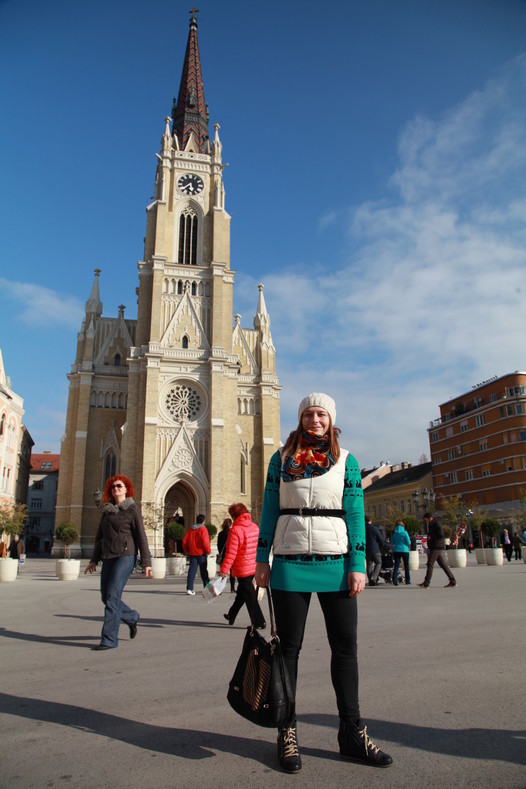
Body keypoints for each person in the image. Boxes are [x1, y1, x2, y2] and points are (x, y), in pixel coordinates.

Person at [255, 392, 392, 773]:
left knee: (345, 650)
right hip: (289, 563)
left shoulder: (347, 461)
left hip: (336, 563)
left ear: (330, 420)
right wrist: (261, 559)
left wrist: (358, 563)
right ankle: (287, 732)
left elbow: (354, 511)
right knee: (288, 653)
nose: (315, 420)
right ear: (300, 419)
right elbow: (268, 508)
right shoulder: (280, 460)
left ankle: (351, 732)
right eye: (309, 414)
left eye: (321, 414)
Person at [85, 475, 152, 650]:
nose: (116, 489)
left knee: (113, 597)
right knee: (105, 596)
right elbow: (100, 537)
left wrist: (146, 562)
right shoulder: (106, 511)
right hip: (108, 556)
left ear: (126, 489)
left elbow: (141, 536)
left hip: (126, 556)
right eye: (113, 487)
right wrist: (93, 560)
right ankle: (131, 616)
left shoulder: (132, 509)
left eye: (119, 486)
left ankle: (109, 639)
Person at [219, 503, 265, 628]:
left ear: (234, 516)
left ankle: (259, 621)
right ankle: (231, 614)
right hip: (253, 565)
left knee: (249, 595)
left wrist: (224, 570)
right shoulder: (255, 527)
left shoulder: (235, 530)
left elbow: (231, 552)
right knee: (242, 593)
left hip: (242, 568)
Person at [418, 512, 457, 589]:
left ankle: (426, 583)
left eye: (426, 520)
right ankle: (453, 581)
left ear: (430, 518)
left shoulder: (436, 524)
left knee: (430, 563)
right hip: (436, 546)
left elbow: (441, 535)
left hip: (436, 546)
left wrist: (431, 537)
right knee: (443, 565)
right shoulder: (432, 524)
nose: (426, 522)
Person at [182, 514, 210, 595]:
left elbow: (184, 541)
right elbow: (205, 542)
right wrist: (208, 551)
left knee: (192, 572)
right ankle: (207, 588)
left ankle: (189, 588)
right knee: (204, 572)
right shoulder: (203, 529)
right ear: (203, 521)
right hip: (201, 553)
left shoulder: (191, 529)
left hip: (193, 553)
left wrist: (186, 550)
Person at [365, 516, 385, 586]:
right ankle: (374, 576)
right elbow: (381, 539)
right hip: (375, 549)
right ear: (370, 520)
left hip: (366, 550)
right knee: (379, 563)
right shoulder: (374, 528)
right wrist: (383, 545)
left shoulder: (362, 529)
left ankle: (371, 580)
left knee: (369, 565)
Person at [217, 517, 235, 592]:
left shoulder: (220, 534)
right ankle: (232, 588)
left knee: (223, 573)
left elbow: (218, 544)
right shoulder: (232, 532)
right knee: (232, 573)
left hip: (223, 555)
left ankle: (220, 589)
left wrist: (220, 552)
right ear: (230, 524)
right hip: (230, 555)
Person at [391, 519, 411, 586]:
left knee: (396, 565)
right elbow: (408, 542)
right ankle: (407, 580)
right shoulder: (405, 532)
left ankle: (394, 580)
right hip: (405, 550)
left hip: (396, 550)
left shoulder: (393, 532)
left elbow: (392, 542)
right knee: (406, 566)